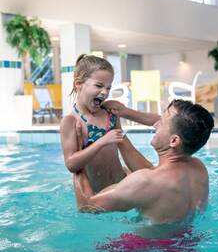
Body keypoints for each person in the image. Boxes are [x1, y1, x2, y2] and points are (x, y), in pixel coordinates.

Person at [73, 99, 215, 225]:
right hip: (187, 245)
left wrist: (78, 154)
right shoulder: (198, 168)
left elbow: (86, 206)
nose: (155, 124)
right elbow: (155, 175)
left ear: (174, 141)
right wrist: (118, 130)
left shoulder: (145, 182)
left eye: (162, 122)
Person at [60, 54, 159, 193]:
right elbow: (71, 164)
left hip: (122, 183)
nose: (105, 92)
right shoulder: (71, 121)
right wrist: (102, 141)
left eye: (108, 88)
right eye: (99, 85)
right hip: (99, 193)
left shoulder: (110, 114)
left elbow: (127, 149)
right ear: (78, 84)